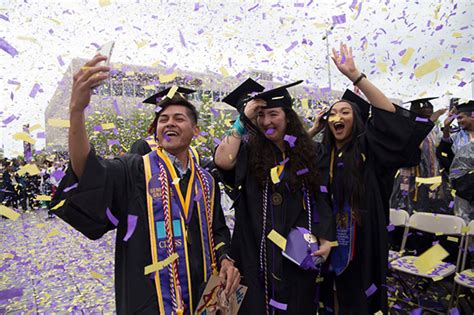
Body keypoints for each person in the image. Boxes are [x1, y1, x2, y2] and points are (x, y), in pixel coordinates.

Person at [50, 55, 240, 314]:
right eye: (163, 119)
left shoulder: (206, 182)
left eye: (179, 118)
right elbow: (88, 170)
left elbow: (218, 229)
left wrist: (226, 259)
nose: (169, 123)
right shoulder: (135, 169)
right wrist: (76, 111)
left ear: (196, 131)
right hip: (151, 298)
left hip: (202, 296)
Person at [316, 43, 434, 314]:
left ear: (358, 120)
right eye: (333, 113)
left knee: (361, 299)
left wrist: (356, 76)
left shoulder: (371, 149)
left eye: (345, 111)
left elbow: (390, 118)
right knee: (331, 294)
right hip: (329, 237)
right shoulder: (324, 155)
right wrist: (313, 128)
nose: (337, 116)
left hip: (365, 239)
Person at [214, 77, 335, 314]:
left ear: (287, 117)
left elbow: (322, 199)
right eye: (261, 115)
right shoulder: (249, 152)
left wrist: (326, 237)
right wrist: (243, 119)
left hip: (295, 254)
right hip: (253, 252)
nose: (266, 121)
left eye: (273, 114)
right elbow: (222, 160)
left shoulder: (311, 152)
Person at [389, 98, 450, 214]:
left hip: (430, 176)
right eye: (423, 108)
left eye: (430, 109)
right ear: (414, 111)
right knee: (406, 208)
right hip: (409, 175)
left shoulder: (434, 130)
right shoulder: (407, 127)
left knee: (428, 209)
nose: (428, 110)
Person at [437, 100, 474, 222]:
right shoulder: (457, 136)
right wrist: (446, 126)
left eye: (461, 118)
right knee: (463, 220)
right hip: (462, 186)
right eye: (457, 118)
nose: (458, 121)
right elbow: (444, 153)